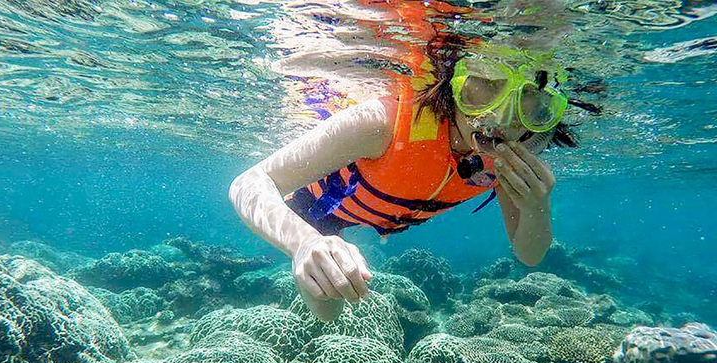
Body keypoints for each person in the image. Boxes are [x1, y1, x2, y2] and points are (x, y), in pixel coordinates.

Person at [229, 43, 595, 321]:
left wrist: (537, 206)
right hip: (318, 210)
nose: (501, 119)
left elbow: (529, 254)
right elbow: (248, 182)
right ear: (454, 84)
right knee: (329, 309)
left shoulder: (514, 152)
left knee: (336, 298)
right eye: (484, 86)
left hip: (385, 213)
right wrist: (305, 244)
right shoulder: (382, 123)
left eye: (532, 103)